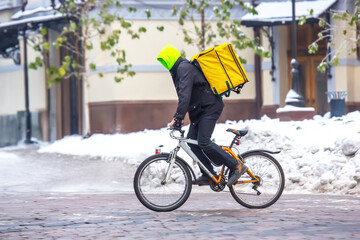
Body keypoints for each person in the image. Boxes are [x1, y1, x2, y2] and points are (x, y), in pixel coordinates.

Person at [157, 44, 248, 187]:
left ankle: (236, 165)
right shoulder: (178, 71)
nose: (165, 64)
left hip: (209, 108)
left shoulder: (184, 68)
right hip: (199, 111)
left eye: (165, 60)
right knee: (192, 142)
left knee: (203, 141)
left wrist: (178, 118)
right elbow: (187, 97)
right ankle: (208, 174)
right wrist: (178, 118)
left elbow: (184, 96)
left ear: (171, 58)